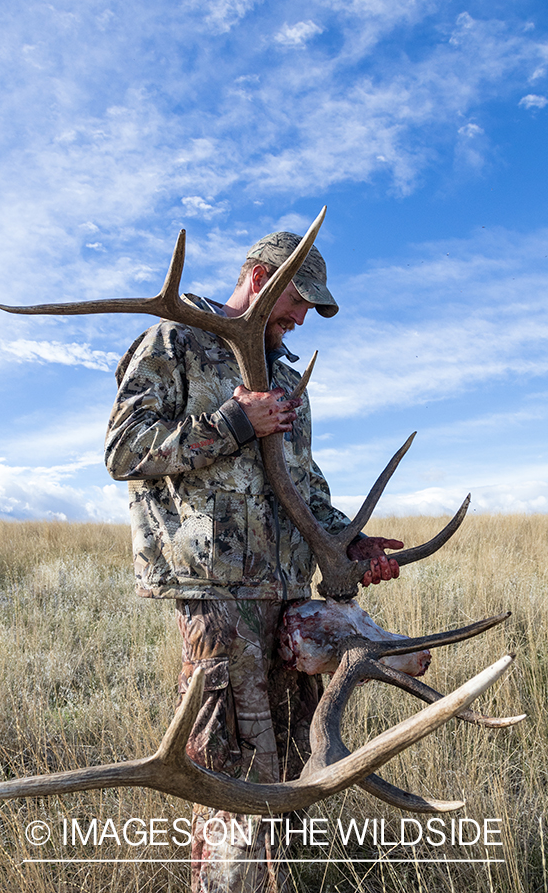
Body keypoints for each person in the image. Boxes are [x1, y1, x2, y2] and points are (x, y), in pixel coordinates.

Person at [105, 230, 402, 892]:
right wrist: (231, 424)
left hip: (289, 593)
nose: (301, 316)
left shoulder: (289, 378)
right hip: (216, 591)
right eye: (298, 299)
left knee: (295, 756)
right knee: (232, 762)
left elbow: (305, 485)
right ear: (260, 277)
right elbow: (124, 450)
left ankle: (273, 881)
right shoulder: (176, 342)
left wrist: (346, 542)